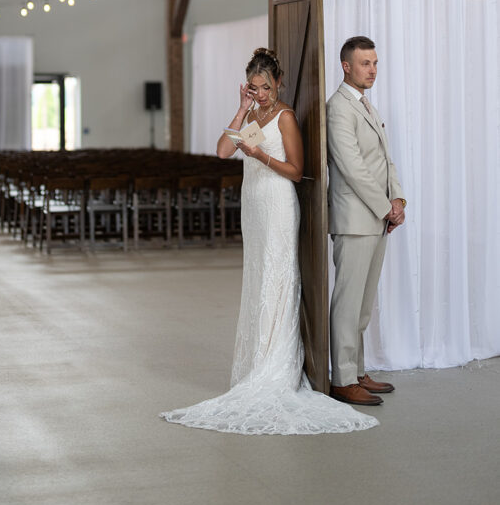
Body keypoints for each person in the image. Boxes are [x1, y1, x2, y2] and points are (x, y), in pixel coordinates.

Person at [161, 47, 377, 434]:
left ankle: (276, 364)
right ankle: (256, 361)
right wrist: (242, 108)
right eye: (253, 87)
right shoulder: (255, 116)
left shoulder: (285, 117)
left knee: (278, 280)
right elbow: (223, 150)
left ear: (277, 83)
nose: (259, 92)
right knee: (259, 281)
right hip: (254, 210)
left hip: (278, 207)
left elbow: (297, 172)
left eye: (263, 87)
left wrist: (260, 155)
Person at [327, 36, 406, 408]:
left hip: (375, 216)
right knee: (347, 301)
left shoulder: (366, 106)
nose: (372, 70)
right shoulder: (338, 108)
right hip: (355, 219)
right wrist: (384, 207)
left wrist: (399, 198)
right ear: (346, 66)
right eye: (364, 63)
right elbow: (352, 167)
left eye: (375, 63)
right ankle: (341, 380)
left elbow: (385, 160)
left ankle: (356, 371)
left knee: (362, 303)